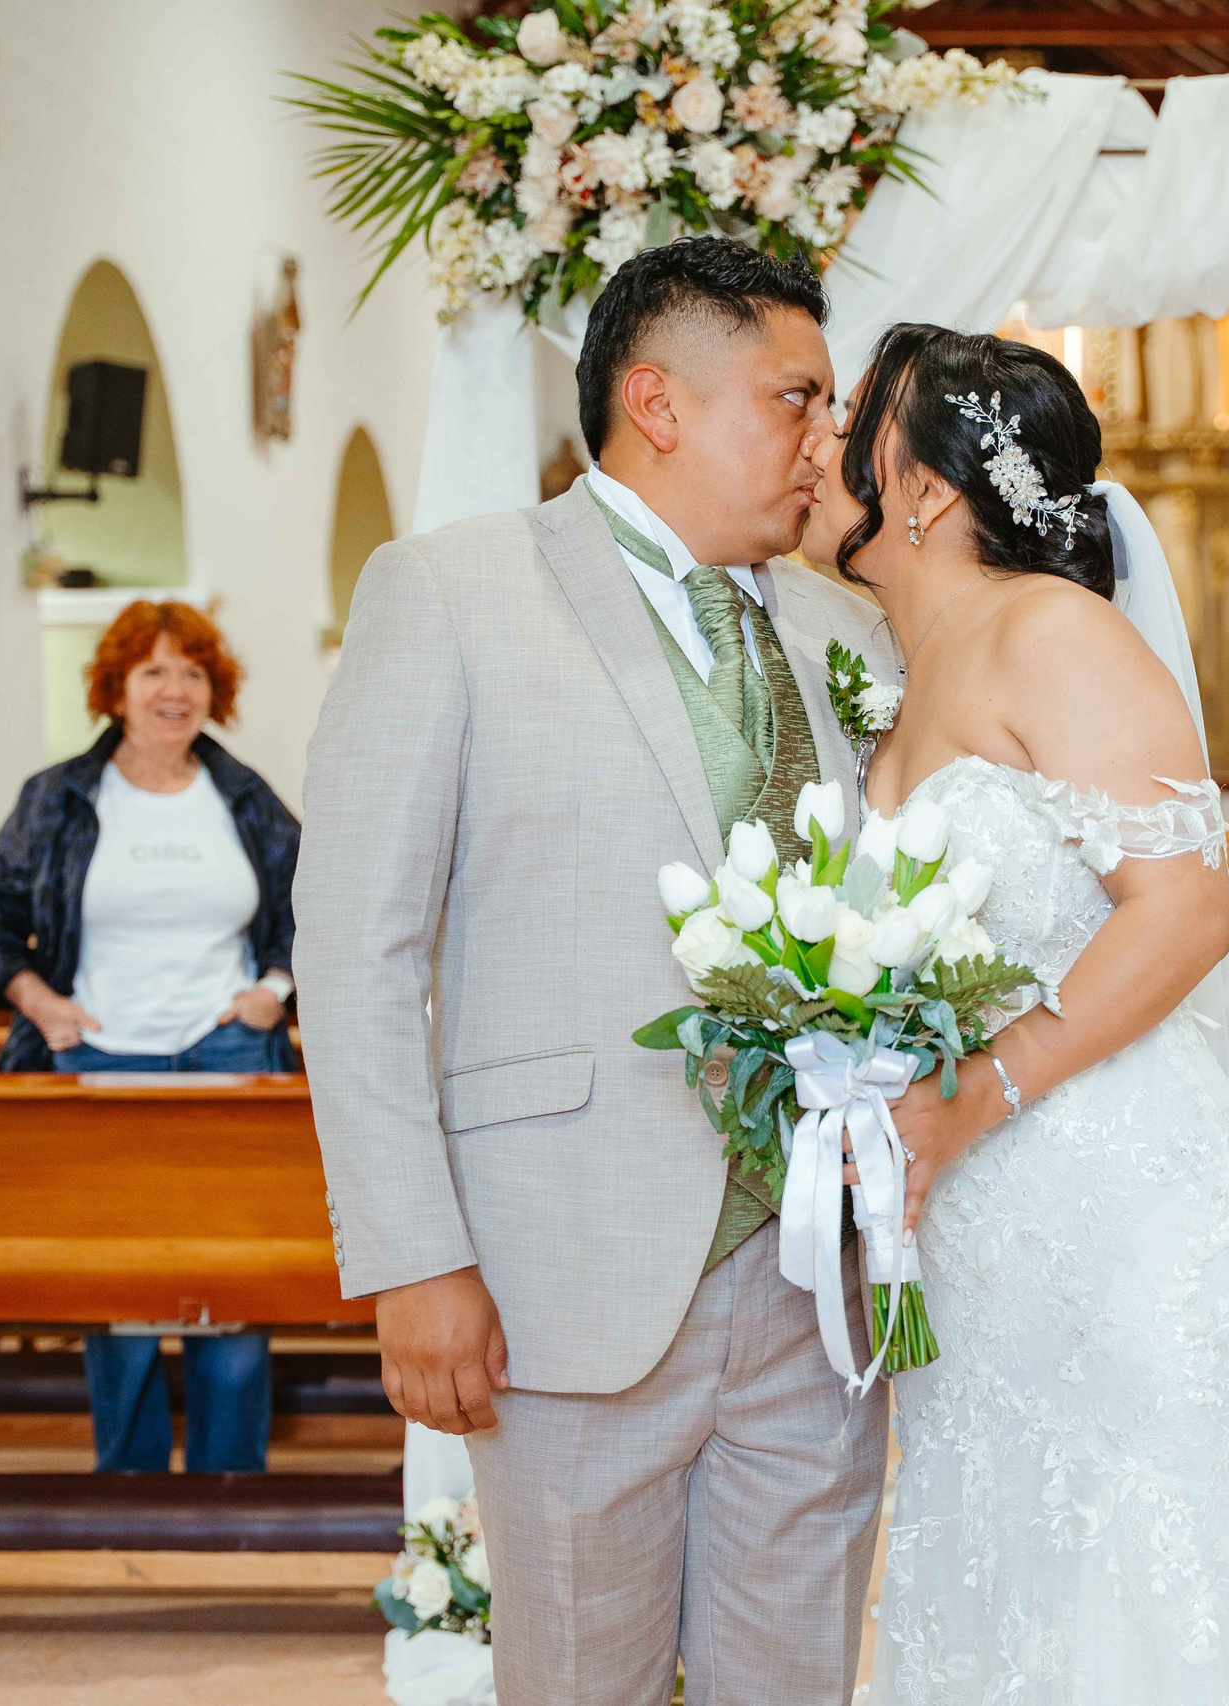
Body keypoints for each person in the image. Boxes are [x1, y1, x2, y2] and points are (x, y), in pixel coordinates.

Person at [296, 238, 899, 1704]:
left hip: (813, 1272)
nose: (830, 439)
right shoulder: (452, 589)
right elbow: (354, 945)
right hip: (564, 1269)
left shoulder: (846, 629)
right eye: (798, 397)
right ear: (659, 400)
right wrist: (413, 1256)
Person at [806, 324, 1229, 1705]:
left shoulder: (1055, 633)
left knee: (1151, 1582)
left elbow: (1184, 912)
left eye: (850, 420)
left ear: (920, 488)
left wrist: (981, 1091)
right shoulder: (901, 676)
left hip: (1125, 1207)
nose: (818, 445)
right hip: (982, 1224)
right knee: (1010, 1573)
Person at [0, 598, 300, 1474]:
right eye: (153, 671)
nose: (174, 689)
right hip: (99, 1058)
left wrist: (273, 990)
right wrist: (39, 1001)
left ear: (212, 691)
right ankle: (133, 1484)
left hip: (228, 1055)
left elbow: (316, 907)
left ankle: (232, 1488)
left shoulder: (245, 795)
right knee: (117, 1287)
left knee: (234, 1282)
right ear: (117, 688)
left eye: (192, 671)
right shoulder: (62, 796)